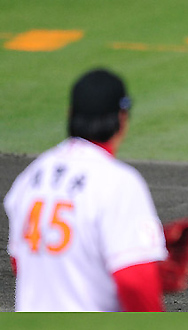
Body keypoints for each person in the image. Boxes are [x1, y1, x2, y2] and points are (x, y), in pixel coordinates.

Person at [4, 68, 170, 311]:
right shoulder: (120, 182)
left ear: (70, 115)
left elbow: (20, 262)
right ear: (122, 118)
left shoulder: (31, 176)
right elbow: (134, 280)